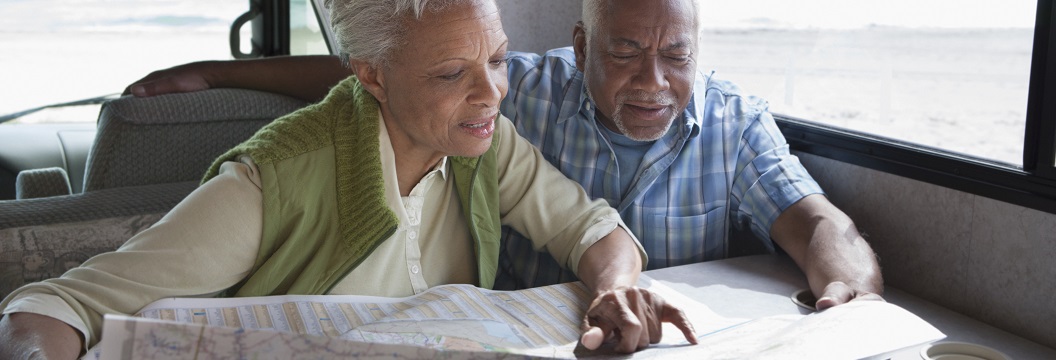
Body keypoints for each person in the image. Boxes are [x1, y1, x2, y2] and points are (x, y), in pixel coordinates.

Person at [0, 0, 699, 358]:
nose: (491, 94)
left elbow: (594, 229)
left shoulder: (487, 146)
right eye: (454, 73)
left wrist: (617, 290)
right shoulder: (270, 184)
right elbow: (51, 308)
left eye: (499, 60)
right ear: (369, 75)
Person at [125, 0, 883, 310]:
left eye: (676, 56)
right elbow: (392, 73)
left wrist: (848, 298)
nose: (655, 82)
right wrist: (216, 72)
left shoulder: (735, 122)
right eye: (624, 52)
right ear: (581, 46)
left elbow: (818, 223)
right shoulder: (518, 92)